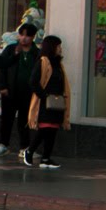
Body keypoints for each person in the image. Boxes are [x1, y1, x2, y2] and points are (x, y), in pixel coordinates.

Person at [0, 22, 40, 159]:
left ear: (33, 37)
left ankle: (24, 147)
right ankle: (3, 145)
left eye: (27, 36)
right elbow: (1, 68)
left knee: (24, 121)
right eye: (21, 35)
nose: (24, 38)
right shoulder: (11, 49)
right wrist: (2, 86)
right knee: (6, 119)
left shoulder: (36, 53)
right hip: (10, 91)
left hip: (27, 93)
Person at [22, 35, 69, 168]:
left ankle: (46, 158)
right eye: (58, 46)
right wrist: (44, 95)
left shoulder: (58, 64)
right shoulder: (43, 61)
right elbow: (33, 81)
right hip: (46, 102)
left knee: (53, 129)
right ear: (52, 47)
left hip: (57, 101)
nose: (60, 48)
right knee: (45, 128)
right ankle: (30, 151)